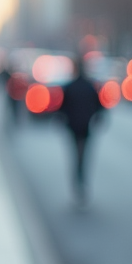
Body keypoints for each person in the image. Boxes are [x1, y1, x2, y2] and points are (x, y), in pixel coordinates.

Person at [58, 56, 104, 204]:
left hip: (74, 127)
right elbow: (99, 107)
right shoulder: (90, 86)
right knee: (83, 156)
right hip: (85, 127)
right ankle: (81, 181)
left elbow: (62, 109)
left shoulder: (70, 86)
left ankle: (78, 181)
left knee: (76, 155)